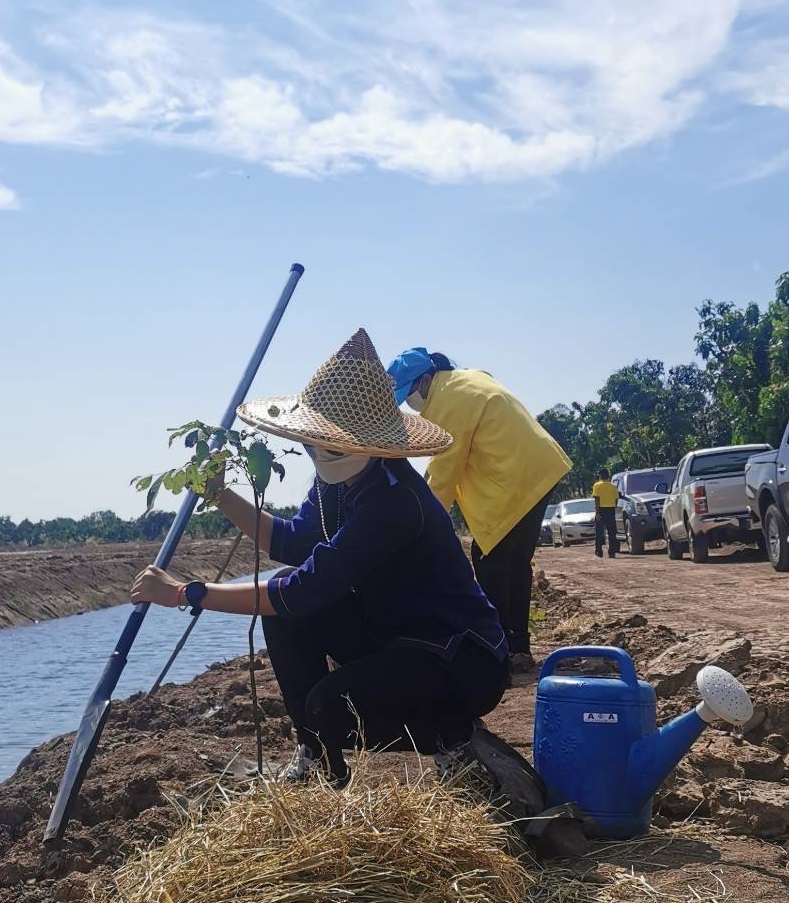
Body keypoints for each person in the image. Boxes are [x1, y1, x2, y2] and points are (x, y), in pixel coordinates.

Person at [131, 329, 544, 812]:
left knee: (329, 706)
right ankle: (318, 761)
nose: (317, 452)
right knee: (284, 618)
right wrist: (221, 494)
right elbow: (289, 542)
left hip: (460, 660)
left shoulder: (395, 502)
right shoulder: (337, 485)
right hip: (397, 635)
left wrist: (187, 593)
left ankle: (451, 736)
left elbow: (304, 589)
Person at [385, 348, 572, 674]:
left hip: (516, 480)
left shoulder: (447, 403)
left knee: (490, 564)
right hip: (539, 469)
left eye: (410, 394)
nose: (410, 404)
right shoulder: (468, 379)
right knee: (512, 563)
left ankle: (496, 652)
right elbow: (440, 466)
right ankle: (516, 647)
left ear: (426, 379)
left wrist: (419, 529)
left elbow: (444, 475)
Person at [592, 468, 619, 559]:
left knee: (599, 533)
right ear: (608, 475)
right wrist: (613, 509)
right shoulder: (613, 486)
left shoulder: (597, 485)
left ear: (600, 475)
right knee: (612, 532)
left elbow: (597, 499)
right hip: (611, 510)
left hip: (601, 510)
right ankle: (612, 552)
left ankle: (599, 552)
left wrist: (597, 512)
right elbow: (616, 500)